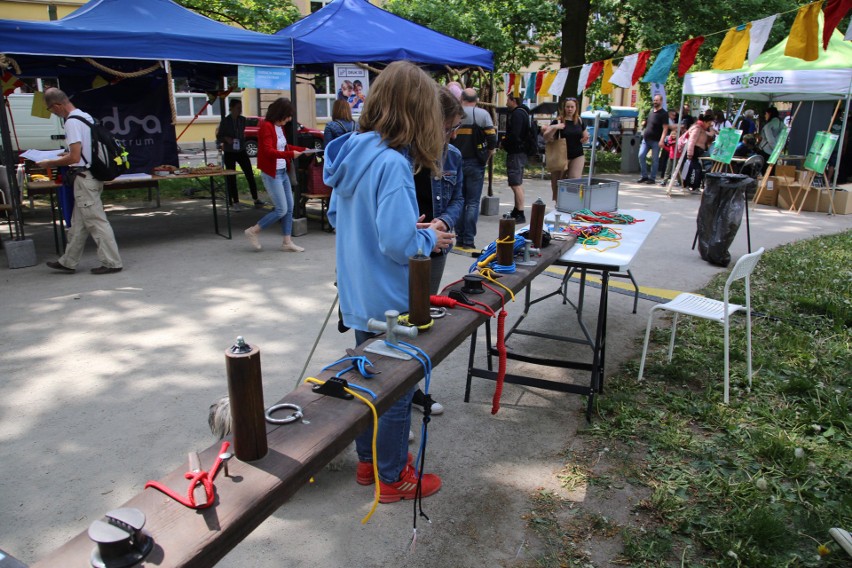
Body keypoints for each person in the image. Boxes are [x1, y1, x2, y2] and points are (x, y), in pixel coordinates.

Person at [324, 60, 454, 502]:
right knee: (396, 391)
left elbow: (339, 217)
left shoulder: (352, 152)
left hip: (358, 293)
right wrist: (427, 235)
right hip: (391, 300)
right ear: (419, 113)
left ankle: (369, 463)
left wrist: (402, 226)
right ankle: (393, 477)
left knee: (367, 381)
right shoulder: (394, 164)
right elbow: (399, 244)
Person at [409, 86, 465, 417]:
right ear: (431, 121)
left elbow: (460, 198)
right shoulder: (401, 154)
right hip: (405, 248)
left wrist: (444, 221)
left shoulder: (453, 156)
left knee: (420, 320)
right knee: (394, 322)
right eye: (449, 128)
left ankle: (412, 389)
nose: (453, 136)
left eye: (456, 129)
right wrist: (412, 229)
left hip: (437, 248)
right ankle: (391, 398)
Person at [41, 88, 123, 275]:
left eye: (51, 110)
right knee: (78, 223)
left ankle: (112, 262)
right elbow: (84, 150)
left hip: (84, 178)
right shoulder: (84, 116)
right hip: (91, 175)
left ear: (57, 105)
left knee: (96, 222)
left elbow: (74, 157)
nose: (53, 114)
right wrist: (68, 154)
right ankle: (68, 261)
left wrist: (50, 162)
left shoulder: (71, 123)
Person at [243, 97, 307, 253]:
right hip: (272, 173)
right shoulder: (266, 126)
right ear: (280, 114)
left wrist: (303, 150)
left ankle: (287, 242)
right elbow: (268, 151)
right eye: (288, 115)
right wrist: (291, 154)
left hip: (282, 172)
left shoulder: (280, 127)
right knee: (281, 209)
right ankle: (253, 231)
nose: (290, 118)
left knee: (290, 207)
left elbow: (283, 146)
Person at [453, 87, 497, 249]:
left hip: (455, 163)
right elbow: (492, 139)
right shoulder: (483, 115)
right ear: (477, 100)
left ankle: (458, 237)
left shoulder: (454, 113)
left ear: (461, 99)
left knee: (458, 200)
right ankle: (469, 240)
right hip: (475, 163)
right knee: (472, 202)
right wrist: (486, 156)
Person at [217, 99, 263, 211]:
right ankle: (235, 201)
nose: (240, 110)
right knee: (231, 176)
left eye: (241, 107)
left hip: (241, 149)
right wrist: (226, 139)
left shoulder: (242, 120)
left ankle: (256, 198)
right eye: (238, 107)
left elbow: (242, 132)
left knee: (249, 174)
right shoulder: (225, 121)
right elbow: (219, 136)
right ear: (231, 108)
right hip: (230, 151)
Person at [542, 97, 589, 201]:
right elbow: (546, 137)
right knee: (558, 181)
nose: (570, 109)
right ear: (564, 108)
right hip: (561, 155)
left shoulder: (580, 121)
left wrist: (585, 139)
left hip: (577, 155)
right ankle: (558, 203)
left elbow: (585, 136)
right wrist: (555, 127)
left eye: (572, 107)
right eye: (568, 107)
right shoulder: (558, 121)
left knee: (575, 181)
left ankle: (573, 202)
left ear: (576, 108)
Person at [502, 93, 529, 222]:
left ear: (513, 100)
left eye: (508, 99)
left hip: (516, 152)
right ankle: (517, 209)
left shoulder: (517, 114)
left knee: (515, 183)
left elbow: (515, 135)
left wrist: (505, 143)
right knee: (517, 182)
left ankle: (520, 212)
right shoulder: (524, 112)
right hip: (520, 152)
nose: (506, 102)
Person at [636, 94, 667, 184]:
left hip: (656, 140)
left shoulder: (664, 114)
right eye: (654, 100)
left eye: (657, 100)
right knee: (641, 155)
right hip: (646, 139)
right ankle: (644, 176)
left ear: (661, 101)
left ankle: (652, 178)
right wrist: (644, 123)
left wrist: (662, 140)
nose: (655, 102)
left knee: (654, 159)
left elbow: (665, 128)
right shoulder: (651, 111)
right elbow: (648, 122)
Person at [684, 112, 716, 191]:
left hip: (697, 150)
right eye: (709, 123)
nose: (709, 125)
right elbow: (692, 140)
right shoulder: (698, 128)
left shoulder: (702, 128)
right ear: (704, 122)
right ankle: (692, 185)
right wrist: (690, 153)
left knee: (696, 168)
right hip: (694, 150)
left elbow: (711, 134)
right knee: (695, 168)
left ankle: (694, 185)